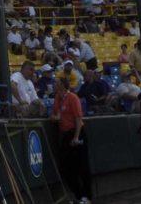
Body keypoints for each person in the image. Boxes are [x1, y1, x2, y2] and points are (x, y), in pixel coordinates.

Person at [52, 75, 91, 203]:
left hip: (76, 132)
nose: (54, 84)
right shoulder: (58, 98)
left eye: (57, 83)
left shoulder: (72, 98)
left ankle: (87, 196)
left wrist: (76, 137)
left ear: (62, 85)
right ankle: (79, 195)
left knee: (82, 165)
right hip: (65, 133)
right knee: (66, 167)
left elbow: (78, 119)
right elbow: (56, 114)